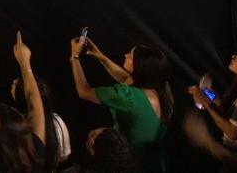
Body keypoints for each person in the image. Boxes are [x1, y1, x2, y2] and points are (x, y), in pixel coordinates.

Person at [71, 35, 173, 173]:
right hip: (155, 165)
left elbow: (83, 91)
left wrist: (75, 57)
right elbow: (126, 78)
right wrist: (100, 56)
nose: (125, 55)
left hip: (129, 166)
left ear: (140, 67)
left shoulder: (127, 97)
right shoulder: (163, 89)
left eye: (130, 56)